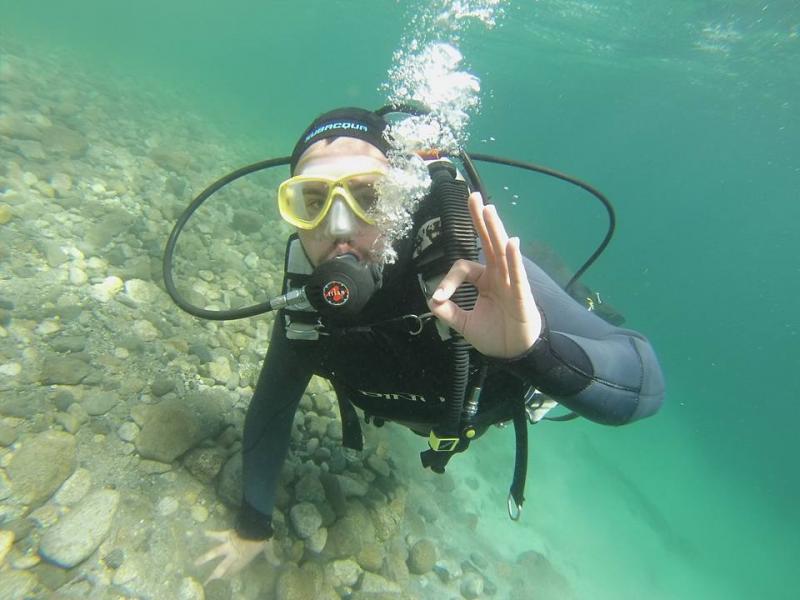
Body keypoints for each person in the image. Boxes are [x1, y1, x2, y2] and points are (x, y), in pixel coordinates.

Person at [195, 107, 665, 581]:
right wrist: (252, 525)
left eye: (369, 196)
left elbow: (644, 381)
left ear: (402, 198)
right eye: (311, 200)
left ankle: (571, 292)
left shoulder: (469, 270)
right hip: (441, 406)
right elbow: (273, 405)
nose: (337, 228)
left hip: (504, 393)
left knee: (560, 293)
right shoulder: (306, 296)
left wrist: (534, 350)